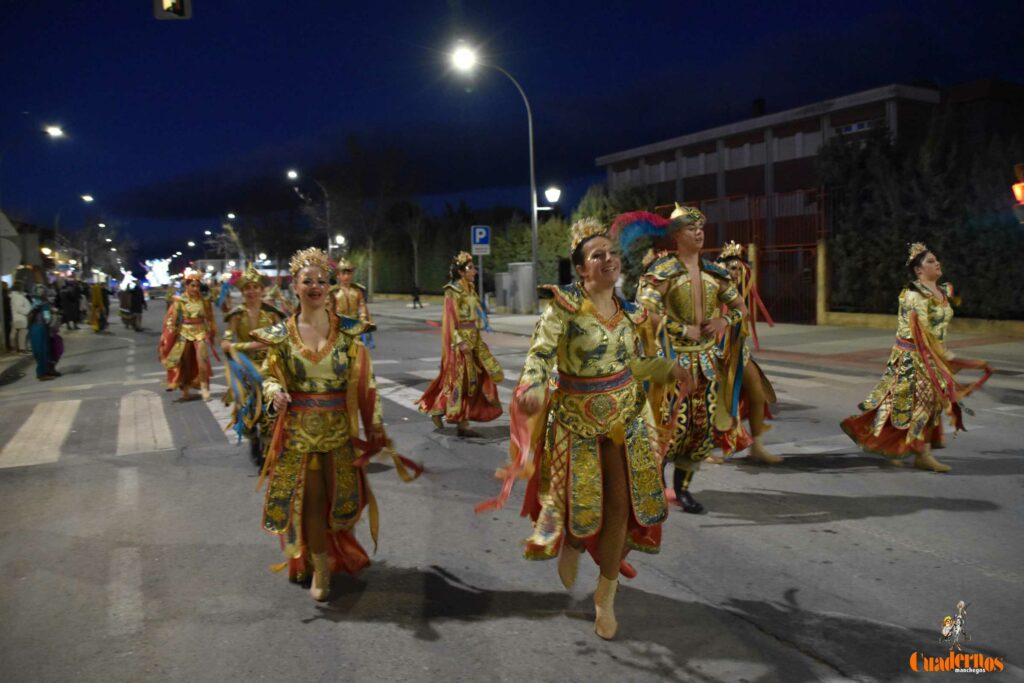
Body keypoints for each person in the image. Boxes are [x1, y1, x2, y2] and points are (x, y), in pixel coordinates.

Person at [478, 218, 692, 640]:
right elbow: (540, 356)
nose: (609, 259)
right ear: (581, 269)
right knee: (582, 507)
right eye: (598, 256)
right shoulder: (563, 308)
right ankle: (574, 543)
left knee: (620, 508)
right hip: (576, 422)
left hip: (626, 421)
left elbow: (631, 366)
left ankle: (604, 597)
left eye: (611, 253)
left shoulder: (630, 313)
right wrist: (532, 388)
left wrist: (667, 368)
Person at [253, 247, 421, 602]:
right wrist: (275, 392)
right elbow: (269, 375)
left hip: (341, 433)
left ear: (329, 286)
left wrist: (374, 423)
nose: (315, 286)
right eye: (307, 281)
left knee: (343, 503)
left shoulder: (347, 333)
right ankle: (321, 569)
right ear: (295, 286)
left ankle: (336, 550)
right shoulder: (281, 335)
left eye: (321, 280)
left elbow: (366, 382)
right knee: (312, 502)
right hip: (300, 434)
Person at [622, 204, 747, 514]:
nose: (699, 233)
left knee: (699, 430)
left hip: (706, 364)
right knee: (667, 426)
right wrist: (679, 328)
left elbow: (740, 309)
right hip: (671, 362)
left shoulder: (715, 273)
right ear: (677, 235)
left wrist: (722, 321)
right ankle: (653, 484)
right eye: (692, 228)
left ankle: (683, 489)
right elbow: (644, 312)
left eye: (701, 228)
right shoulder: (663, 272)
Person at [841, 244, 992, 472]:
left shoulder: (942, 291)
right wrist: (955, 359)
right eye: (930, 261)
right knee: (923, 404)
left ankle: (895, 445)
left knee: (916, 405)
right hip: (914, 356)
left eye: (936, 259)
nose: (937, 263)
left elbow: (937, 330)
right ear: (918, 270)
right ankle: (922, 454)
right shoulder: (914, 295)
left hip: (933, 354)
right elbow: (923, 333)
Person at [418, 251, 504, 438]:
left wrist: (482, 325)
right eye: (471, 268)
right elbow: (450, 320)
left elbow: (475, 312)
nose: (475, 271)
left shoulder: (470, 288)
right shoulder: (452, 291)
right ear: (461, 272)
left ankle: (461, 421)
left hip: (475, 340)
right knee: (460, 382)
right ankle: (446, 413)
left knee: (477, 381)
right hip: (462, 343)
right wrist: (459, 341)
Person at [710, 241, 781, 464]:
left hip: (739, 351)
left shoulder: (736, 292)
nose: (737, 273)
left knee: (758, 394)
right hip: (715, 353)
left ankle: (757, 447)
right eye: (732, 268)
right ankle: (703, 450)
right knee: (709, 401)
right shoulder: (713, 289)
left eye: (740, 269)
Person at [221, 264, 285, 467]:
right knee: (247, 410)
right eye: (247, 288)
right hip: (245, 367)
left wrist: (242, 345)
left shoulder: (271, 313)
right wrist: (237, 344)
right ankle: (253, 439)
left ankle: (268, 453)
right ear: (242, 291)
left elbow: (280, 337)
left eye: (255, 287)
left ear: (262, 289)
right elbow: (226, 341)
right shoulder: (237, 315)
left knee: (269, 409)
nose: (251, 291)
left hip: (270, 366)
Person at [159, 270, 217, 401]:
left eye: (197, 286)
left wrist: (211, 330)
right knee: (185, 364)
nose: (195, 289)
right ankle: (185, 390)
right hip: (184, 334)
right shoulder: (180, 301)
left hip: (200, 333)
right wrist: (172, 331)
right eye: (193, 286)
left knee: (202, 362)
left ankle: (204, 388)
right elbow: (172, 319)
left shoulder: (204, 301)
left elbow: (210, 318)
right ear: (187, 286)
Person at [333, 258, 375, 348]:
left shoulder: (357, 291)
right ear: (338, 275)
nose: (346, 277)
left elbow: (362, 306)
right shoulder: (334, 292)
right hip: (339, 326)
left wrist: (363, 318)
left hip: (355, 326)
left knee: (357, 350)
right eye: (343, 274)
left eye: (349, 274)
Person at [27, 284, 59, 381]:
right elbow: (47, 319)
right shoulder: (45, 304)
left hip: (33, 329)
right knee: (43, 350)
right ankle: (42, 373)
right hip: (41, 328)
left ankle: (43, 371)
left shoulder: (33, 303)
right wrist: (54, 314)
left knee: (37, 350)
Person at [9, 285, 31, 353]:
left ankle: (15, 348)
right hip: (20, 317)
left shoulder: (15, 296)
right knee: (22, 334)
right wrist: (27, 311)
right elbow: (18, 308)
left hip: (17, 317)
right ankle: (21, 349)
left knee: (15, 333)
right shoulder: (18, 297)